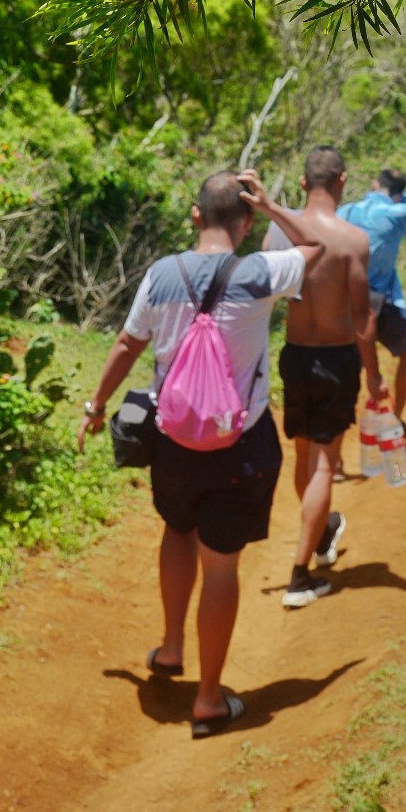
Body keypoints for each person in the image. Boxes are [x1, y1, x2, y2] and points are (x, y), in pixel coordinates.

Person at [76, 168, 322, 738]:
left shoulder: (162, 274)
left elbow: (126, 343)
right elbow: (317, 246)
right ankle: (209, 699)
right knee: (222, 565)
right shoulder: (261, 271)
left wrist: (95, 407)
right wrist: (274, 207)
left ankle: (169, 646)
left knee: (177, 529)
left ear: (194, 217)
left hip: (173, 442)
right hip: (240, 444)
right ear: (244, 221)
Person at [269, 144, 380, 609]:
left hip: (294, 356)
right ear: (343, 181)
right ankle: (300, 573)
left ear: (301, 184)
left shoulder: (279, 234)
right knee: (324, 464)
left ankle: (319, 533)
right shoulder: (353, 241)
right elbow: (361, 318)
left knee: (303, 456)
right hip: (335, 360)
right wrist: (375, 375)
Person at [340, 166, 406, 436]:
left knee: (349, 371)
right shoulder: (396, 214)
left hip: (348, 301)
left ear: (374, 184)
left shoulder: (348, 211)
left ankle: (335, 448)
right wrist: (401, 197)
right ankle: (395, 419)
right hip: (384, 300)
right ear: (398, 192)